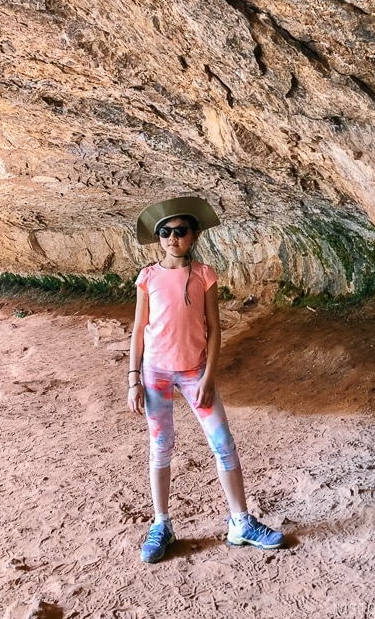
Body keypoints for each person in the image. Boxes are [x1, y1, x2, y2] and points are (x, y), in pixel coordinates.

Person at [128, 195, 285, 563]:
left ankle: (240, 522)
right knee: (161, 447)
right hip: (156, 373)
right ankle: (162, 523)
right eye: (165, 232)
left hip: (195, 371)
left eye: (180, 231)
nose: (172, 238)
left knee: (224, 444)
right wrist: (133, 377)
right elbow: (138, 329)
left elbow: (215, 329)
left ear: (194, 235)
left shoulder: (203, 275)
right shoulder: (147, 277)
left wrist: (209, 376)